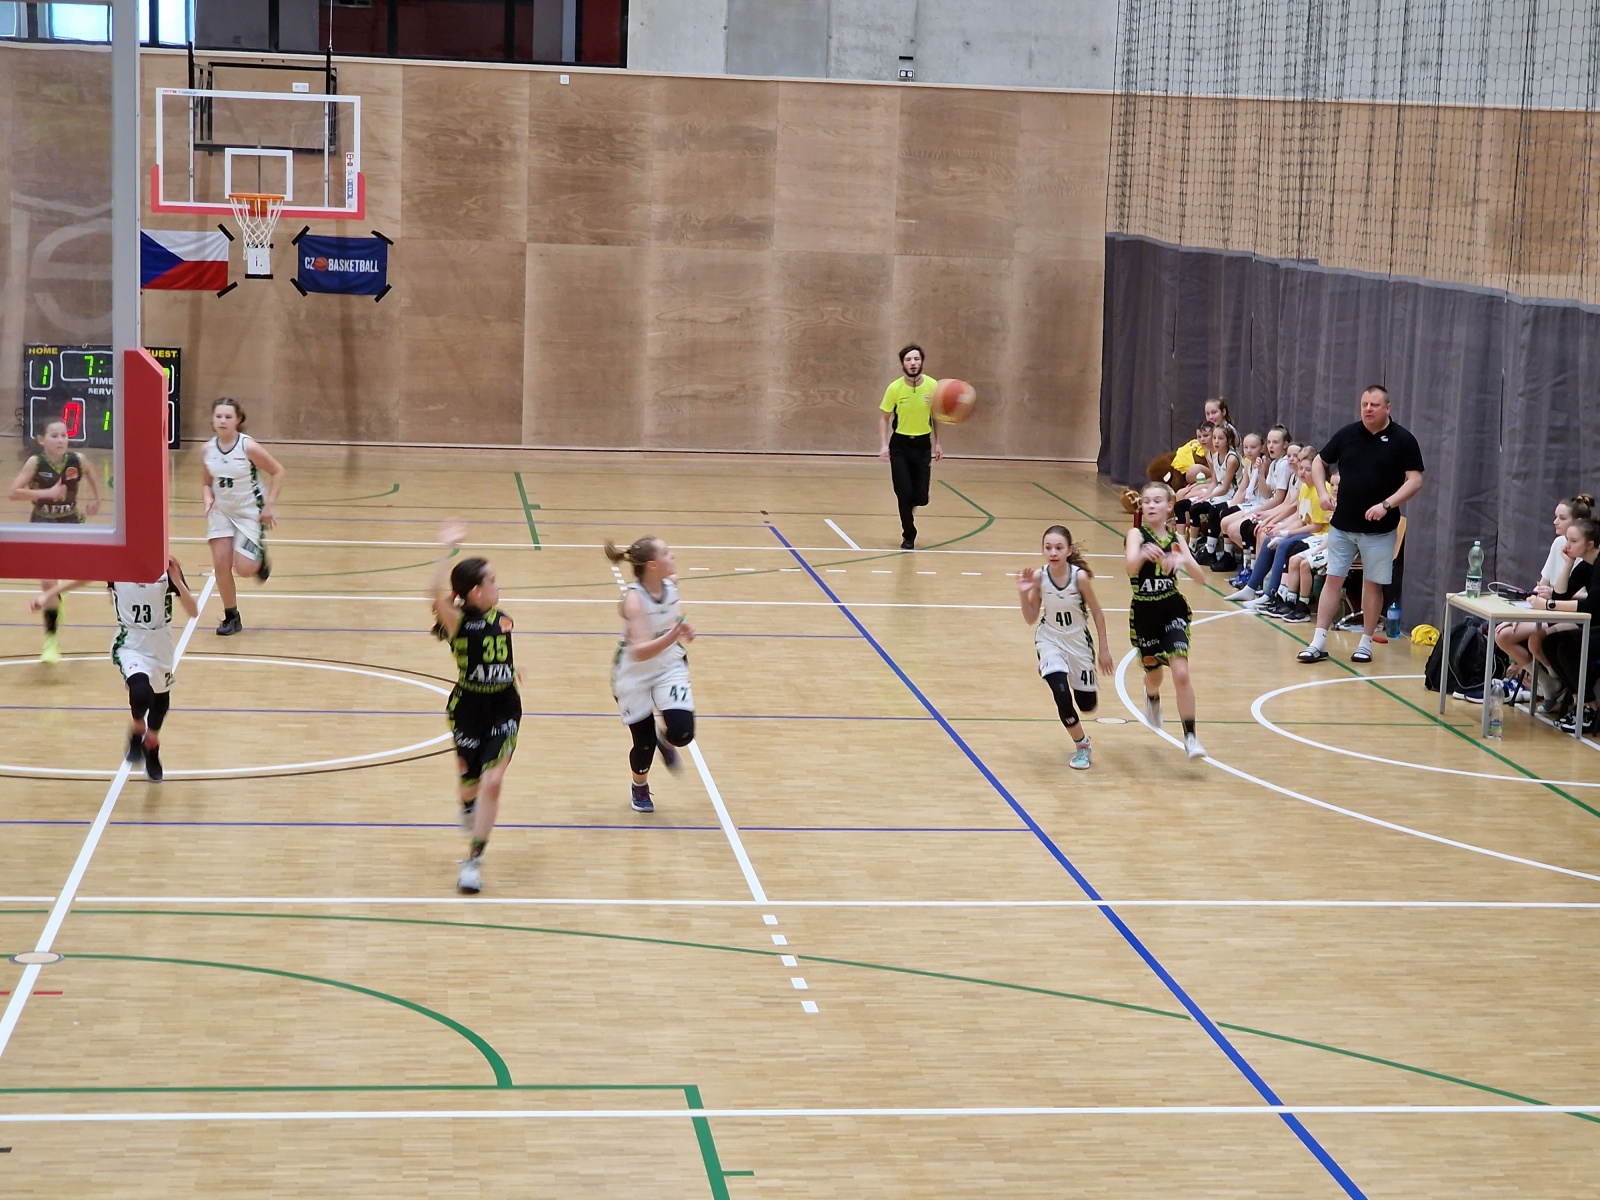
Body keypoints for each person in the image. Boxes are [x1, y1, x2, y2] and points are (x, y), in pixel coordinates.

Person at [32, 556, 200, 783]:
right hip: (130, 641)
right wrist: (49, 594)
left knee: (160, 700)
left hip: (160, 642)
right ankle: (138, 729)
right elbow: (84, 578)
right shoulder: (119, 564)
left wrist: (177, 581)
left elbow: (193, 611)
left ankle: (151, 745)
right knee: (140, 692)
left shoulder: (165, 565)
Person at [1297, 386, 1425, 665]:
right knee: (1333, 579)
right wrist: (1322, 493)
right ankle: (1318, 641)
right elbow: (1319, 462)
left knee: (1372, 584)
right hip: (1342, 526)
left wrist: (1386, 505)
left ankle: (1365, 642)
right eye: (1364, 404)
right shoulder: (1347, 434)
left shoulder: (1403, 440)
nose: (1368, 409)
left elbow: (1415, 480)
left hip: (1380, 530)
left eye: (1374, 405)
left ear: (1387, 408)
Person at [430, 523, 520, 894]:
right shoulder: (458, 623)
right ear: (476, 591)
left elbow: (497, 657)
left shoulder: (502, 619)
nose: (499, 586)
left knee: (493, 782)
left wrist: (512, 671)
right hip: (468, 708)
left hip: (504, 706)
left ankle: (473, 861)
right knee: (470, 787)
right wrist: (447, 551)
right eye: (493, 581)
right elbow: (435, 595)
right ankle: (468, 806)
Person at [605, 536, 697, 813]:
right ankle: (640, 785)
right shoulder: (634, 600)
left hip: (668, 665)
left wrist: (682, 624)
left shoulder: (670, 584)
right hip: (634, 673)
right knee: (643, 743)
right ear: (652, 565)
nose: (672, 555)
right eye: (666, 553)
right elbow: (640, 652)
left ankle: (666, 742)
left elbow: (671, 615)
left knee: (682, 732)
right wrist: (674, 634)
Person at [1017, 525, 1116, 769]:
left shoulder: (1079, 578)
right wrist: (1023, 593)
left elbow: (1097, 613)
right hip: (1050, 639)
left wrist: (1104, 649)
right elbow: (1030, 618)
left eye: (1058, 548)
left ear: (1069, 551)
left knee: (1087, 705)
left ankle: (1081, 698)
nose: (1053, 552)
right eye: (1048, 547)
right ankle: (1082, 746)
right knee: (1061, 694)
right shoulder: (1040, 576)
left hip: (1078, 643)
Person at [9, 417, 103, 663]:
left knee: (83, 574)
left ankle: (57, 594)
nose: (61, 440)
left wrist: (97, 499)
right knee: (47, 582)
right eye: (54, 436)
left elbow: (91, 472)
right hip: (42, 525)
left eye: (64, 435)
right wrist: (47, 493)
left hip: (71, 523)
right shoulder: (35, 462)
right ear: (42, 440)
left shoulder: (77, 460)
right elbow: (13, 492)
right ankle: (51, 640)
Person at [1126, 482, 1207, 759]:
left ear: (1170, 506)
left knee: (1181, 673)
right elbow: (1129, 568)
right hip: (1145, 613)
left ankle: (1191, 736)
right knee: (1154, 675)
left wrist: (1183, 560)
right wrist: (1141, 556)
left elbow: (1200, 579)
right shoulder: (1136, 534)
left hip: (1172, 609)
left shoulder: (1176, 538)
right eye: (1147, 501)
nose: (1151, 505)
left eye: (1157, 501)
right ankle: (1151, 696)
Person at [1495, 494, 1594, 697]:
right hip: (1552, 610)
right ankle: (1547, 682)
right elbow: (1544, 586)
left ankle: (1562, 685)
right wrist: (1521, 613)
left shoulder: (1587, 556)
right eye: (1555, 516)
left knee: (1537, 641)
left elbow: (1588, 599)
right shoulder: (1559, 544)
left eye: (1561, 518)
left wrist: (1552, 599)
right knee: (1502, 634)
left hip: (1570, 615)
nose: (1555, 522)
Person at [202, 398, 285, 637]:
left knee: (245, 569)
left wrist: (269, 506)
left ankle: (258, 557)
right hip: (221, 511)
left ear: (238, 420)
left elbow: (278, 471)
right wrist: (207, 497)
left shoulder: (248, 447)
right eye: (218, 416)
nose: (223, 421)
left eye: (228, 417)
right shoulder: (207, 450)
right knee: (221, 564)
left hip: (249, 511)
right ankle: (232, 616)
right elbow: (206, 483)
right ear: (212, 419)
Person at [1532, 516, 1600, 733]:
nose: (1566, 545)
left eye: (1573, 541)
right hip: (1593, 627)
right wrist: (1569, 563)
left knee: (1568, 648)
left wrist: (1548, 605)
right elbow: (1562, 594)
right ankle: (1579, 701)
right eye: (1567, 540)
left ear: (1590, 544)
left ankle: (1590, 707)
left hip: (1596, 626)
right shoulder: (1586, 565)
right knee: (1550, 642)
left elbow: (1591, 606)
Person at [877, 345, 942, 549]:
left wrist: (938, 443)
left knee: (921, 497)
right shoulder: (894, 388)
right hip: (900, 447)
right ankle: (909, 534)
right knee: (903, 493)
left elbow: (936, 416)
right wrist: (883, 445)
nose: (913, 363)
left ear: (921, 361)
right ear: (903, 364)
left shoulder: (933, 386)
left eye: (916, 359)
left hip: (922, 446)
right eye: (908, 360)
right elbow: (884, 418)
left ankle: (912, 503)